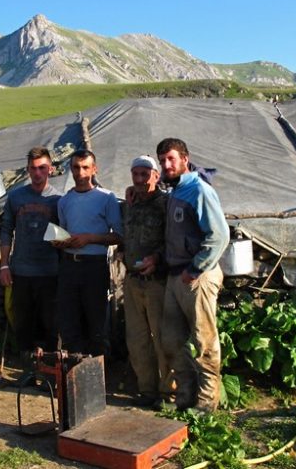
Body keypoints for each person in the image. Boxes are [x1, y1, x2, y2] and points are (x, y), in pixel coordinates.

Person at [156, 137, 229, 413]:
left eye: (171, 158)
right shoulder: (176, 191)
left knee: (204, 340)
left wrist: (195, 268)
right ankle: (185, 395)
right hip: (177, 276)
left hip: (197, 276)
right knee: (172, 339)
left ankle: (207, 402)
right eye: (163, 160)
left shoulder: (199, 190)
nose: (166, 164)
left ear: (185, 159)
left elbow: (220, 235)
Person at [52, 149, 123, 357]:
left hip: (94, 265)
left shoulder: (106, 198)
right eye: (76, 167)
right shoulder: (64, 201)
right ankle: (73, 369)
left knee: (96, 320)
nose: (80, 172)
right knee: (69, 319)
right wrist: (60, 242)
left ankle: (97, 373)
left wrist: (90, 238)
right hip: (68, 265)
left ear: (94, 169)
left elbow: (119, 236)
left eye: (85, 167)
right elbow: (63, 234)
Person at [0, 147, 61, 357]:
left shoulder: (58, 200)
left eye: (42, 168)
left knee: (51, 325)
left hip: (50, 272)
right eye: (33, 168)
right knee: (23, 324)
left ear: (50, 169)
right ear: (27, 170)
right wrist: (5, 264)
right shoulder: (16, 197)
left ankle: (50, 373)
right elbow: (6, 230)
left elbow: (66, 235)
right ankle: (27, 369)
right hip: (22, 271)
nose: (37, 173)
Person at [121, 155, 173, 408]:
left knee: (163, 338)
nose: (140, 180)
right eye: (136, 175)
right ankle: (147, 390)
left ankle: (168, 393)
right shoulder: (129, 203)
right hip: (132, 281)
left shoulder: (166, 204)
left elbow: (175, 240)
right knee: (137, 338)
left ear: (156, 175)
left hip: (157, 281)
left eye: (145, 174)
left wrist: (158, 258)